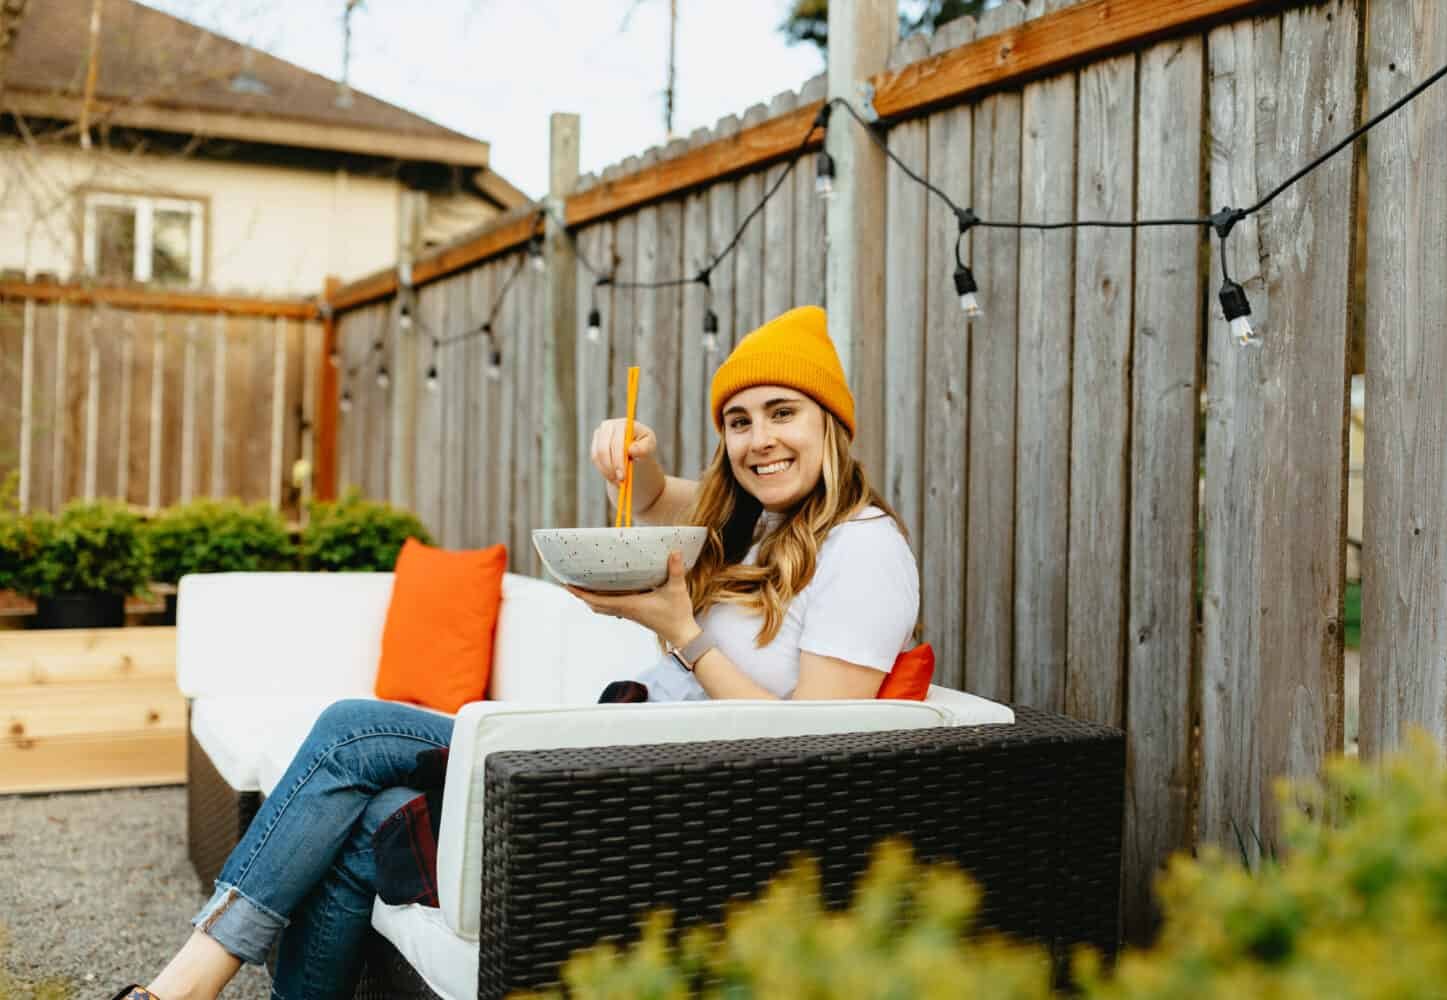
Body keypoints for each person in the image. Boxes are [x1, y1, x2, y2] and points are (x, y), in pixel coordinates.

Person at [115, 304, 918, 1000]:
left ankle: (184, 984)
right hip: (624, 746)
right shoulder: (768, 518)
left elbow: (816, 745)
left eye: (784, 413)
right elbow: (661, 496)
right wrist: (629, 456)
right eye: (739, 422)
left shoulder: (864, 550)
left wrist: (682, 633)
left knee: (353, 732)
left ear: (831, 426)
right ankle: (197, 984)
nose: (759, 440)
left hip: (664, 783)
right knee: (373, 815)